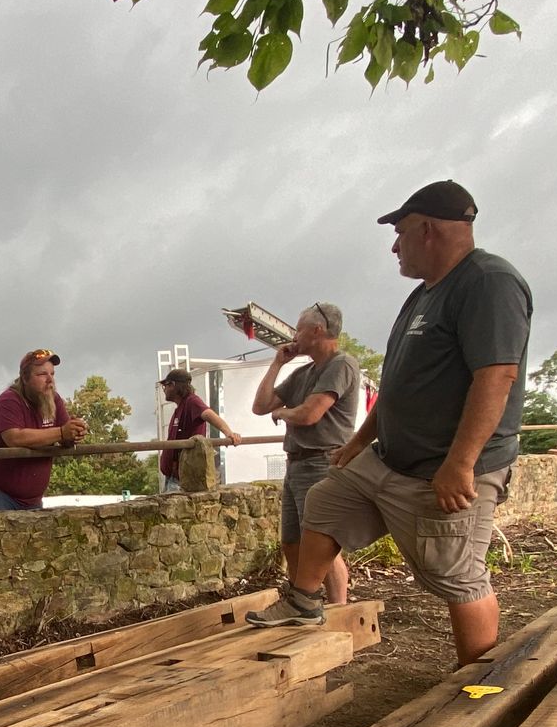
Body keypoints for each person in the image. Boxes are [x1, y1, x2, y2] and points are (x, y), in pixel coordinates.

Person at [249, 180, 530, 664]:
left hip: (447, 467)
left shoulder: (488, 282)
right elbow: (399, 386)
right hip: (390, 459)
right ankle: (303, 600)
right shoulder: (422, 297)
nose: (394, 246)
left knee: (458, 576)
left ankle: (482, 688)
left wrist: (460, 464)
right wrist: (360, 441)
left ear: (427, 229)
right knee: (327, 499)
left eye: (400, 234)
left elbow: (498, 375)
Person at [244, 303, 360, 610]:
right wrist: (277, 363)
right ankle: (299, 607)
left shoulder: (341, 364)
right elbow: (260, 405)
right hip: (297, 463)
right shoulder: (303, 372)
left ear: (316, 331)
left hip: (324, 462)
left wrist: (284, 413)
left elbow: (310, 414)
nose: (294, 335)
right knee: (292, 542)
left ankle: (338, 611)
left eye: (298, 328)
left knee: (322, 546)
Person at [0, 350, 87, 512]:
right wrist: (61, 432)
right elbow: (14, 438)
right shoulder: (9, 400)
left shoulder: (54, 399)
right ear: (25, 378)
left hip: (32, 500)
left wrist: (74, 433)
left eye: (52, 373)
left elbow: (65, 435)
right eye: (42, 374)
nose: (50, 380)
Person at [157, 369, 242, 492]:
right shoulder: (181, 407)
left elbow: (209, 414)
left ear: (173, 385)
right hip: (173, 475)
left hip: (182, 478)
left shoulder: (192, 401)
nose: (164, 389)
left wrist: (229, 433)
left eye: (165, 385)